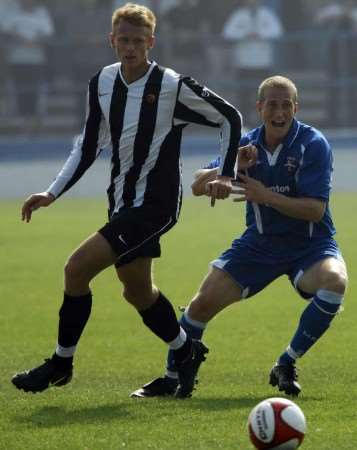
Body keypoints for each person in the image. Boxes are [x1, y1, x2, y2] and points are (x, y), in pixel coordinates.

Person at [11, 2, 242, 398]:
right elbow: (87, 145)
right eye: (123, 40)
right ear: (111, 41)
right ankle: (185, 352)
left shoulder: (170, 85)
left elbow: (230, 117)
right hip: (122, 201)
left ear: (151, 42)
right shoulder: (102, 82)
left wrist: (226, 172)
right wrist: (51, 191)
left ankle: (61, 363)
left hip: (155, 205)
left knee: (76, 269)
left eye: (138, 41)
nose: (130, 47)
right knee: (137, 290)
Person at [132, 75, 348, 398]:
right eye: (272, 105)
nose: (279, 112)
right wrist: (229, 167)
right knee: (200, 305)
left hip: (311, 245)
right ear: (260, 107)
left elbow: (316, 210)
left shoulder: (313, 144)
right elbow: (196, 186)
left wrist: (266, 196)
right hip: (260, 244)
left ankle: (286, 363)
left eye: (286, 105)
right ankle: (172, 377)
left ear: (295, 108)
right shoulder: (246, 142)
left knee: (336, 282)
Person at [222, 0, 283, 127]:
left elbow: (277, 31)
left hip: (263, 62)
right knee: (244, 93)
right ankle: (245, 123)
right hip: (243, 62)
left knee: (264, 95)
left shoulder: (267, 14)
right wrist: (245, 34)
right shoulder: (238, 15)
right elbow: (227, 33)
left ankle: (263, 122)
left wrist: (259, 34)